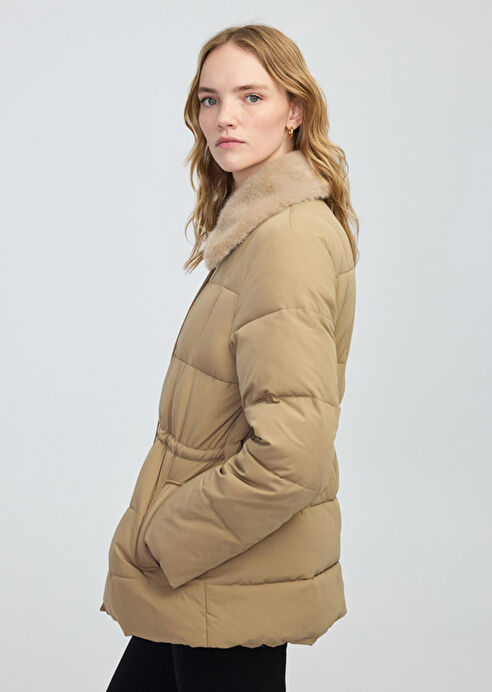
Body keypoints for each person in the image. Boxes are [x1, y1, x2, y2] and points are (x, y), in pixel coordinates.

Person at [100, 23, 359, 692]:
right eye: (210, 100)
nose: (225, 118)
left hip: (225, 570)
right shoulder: (255, 229)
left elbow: (290, 454)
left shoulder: (288, 241)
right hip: (208, 574)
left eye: (251, 96)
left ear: (294, 110)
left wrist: (171, 535)